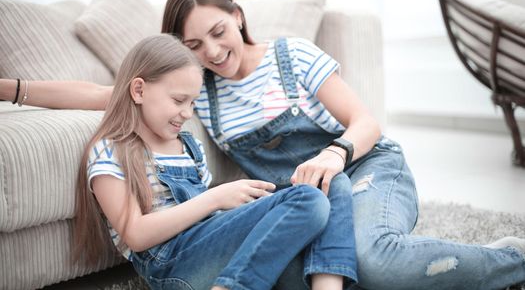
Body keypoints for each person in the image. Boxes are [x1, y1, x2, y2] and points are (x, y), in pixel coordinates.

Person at [1, 0, 524, 289]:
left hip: (367, 168)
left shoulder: (291, 57)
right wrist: (12, 88)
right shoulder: (196, 93)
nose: (212, 51)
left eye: (218, 32)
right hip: (312, 194)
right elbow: (98, 93)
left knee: (373, 261)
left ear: (238, 16)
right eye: (194, 44)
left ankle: (511, 259)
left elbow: (366, 123)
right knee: (331, 264)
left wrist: (337, 155)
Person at [65, 33, 358, 290]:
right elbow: (136, 235)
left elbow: (214, 230)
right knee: (307, 199)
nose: (187, 112)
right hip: (173, 267)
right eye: (179, 100)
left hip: (214, 254)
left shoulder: (189, 147)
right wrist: (216, 197)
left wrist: (246, 209)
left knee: (329, 187)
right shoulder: (110, 151)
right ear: (139, 90)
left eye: (192, 102)